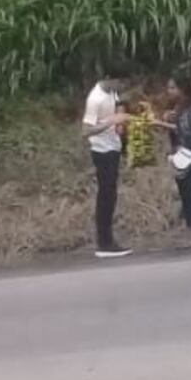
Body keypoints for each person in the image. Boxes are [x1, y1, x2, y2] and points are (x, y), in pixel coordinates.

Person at [82, 70, 132, 260]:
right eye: (120, 82)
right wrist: (111, 121)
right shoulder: (95, 99)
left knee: (111, 195)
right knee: (105, 196)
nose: (122, 87)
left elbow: (117, 108)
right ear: (110, 78)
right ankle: (104, 242)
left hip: (113, 147)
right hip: (102, 151)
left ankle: (108, 240)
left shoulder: (111, 92)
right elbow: (85, 131)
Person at [161, 73, 191, 233]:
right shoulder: (174, 106)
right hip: (179, 152)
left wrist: (165, 123)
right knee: (185, 190)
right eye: (168, 88)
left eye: (173, 88)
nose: (169, 91)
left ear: (182, 88)